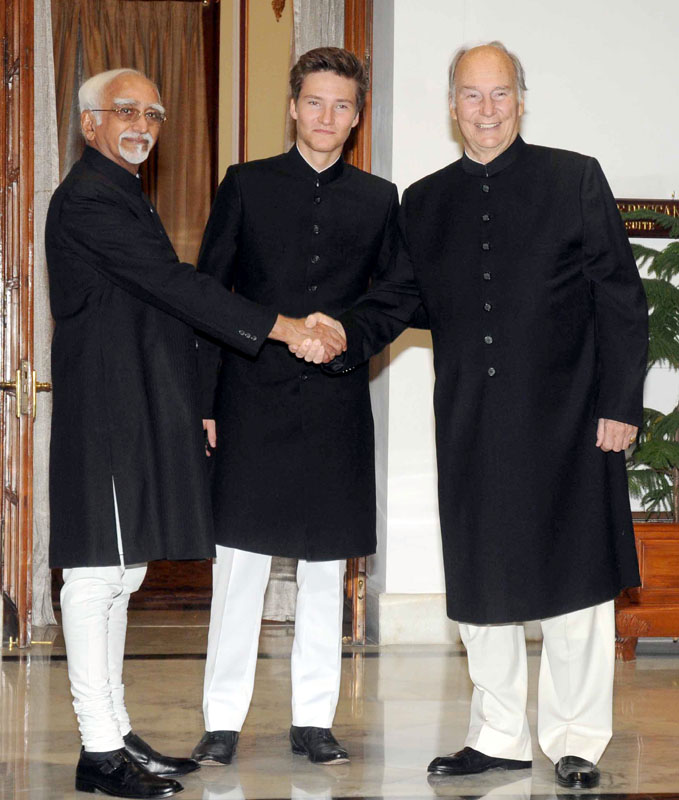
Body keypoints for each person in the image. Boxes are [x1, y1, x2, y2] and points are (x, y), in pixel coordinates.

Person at [303, 41, 648, 789]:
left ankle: (574, 738)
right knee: (481, 583)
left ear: (520, 101)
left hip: (571, 418)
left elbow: (620, 299)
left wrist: (619, 405)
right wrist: (340, 333)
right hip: (472, 419)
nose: (484, 110)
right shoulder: (424, 201)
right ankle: (497, 734)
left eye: (498, 95)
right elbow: (396, 299)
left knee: (575, 587)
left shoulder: (573, 177)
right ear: (451, 105)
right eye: (470, 95)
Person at [45, 68, 344, 799]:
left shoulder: (122, 194)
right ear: (89, 125)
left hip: (136, 405)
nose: (141, 123)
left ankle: (115, 733)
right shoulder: (88, 198)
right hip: (106, 412)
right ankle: (97, 751)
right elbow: (175, 285)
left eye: (152, 111)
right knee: (92, 580)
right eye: (125, 111)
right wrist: (278, 325)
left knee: (123, 574)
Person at [190, 48, 399, 767]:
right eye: (315, 102)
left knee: (322, 568)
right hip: (249, 401)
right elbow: (210, 295)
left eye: (342, 106)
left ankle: (314, 719)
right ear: (292, 106)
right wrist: (206, 399)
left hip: (336, 404)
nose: (327, 117)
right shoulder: (244, 186)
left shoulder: (379, 198)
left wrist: (346, 336)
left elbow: (393, 298)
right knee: (238, 566)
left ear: (356, 115)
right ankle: (221, 720)